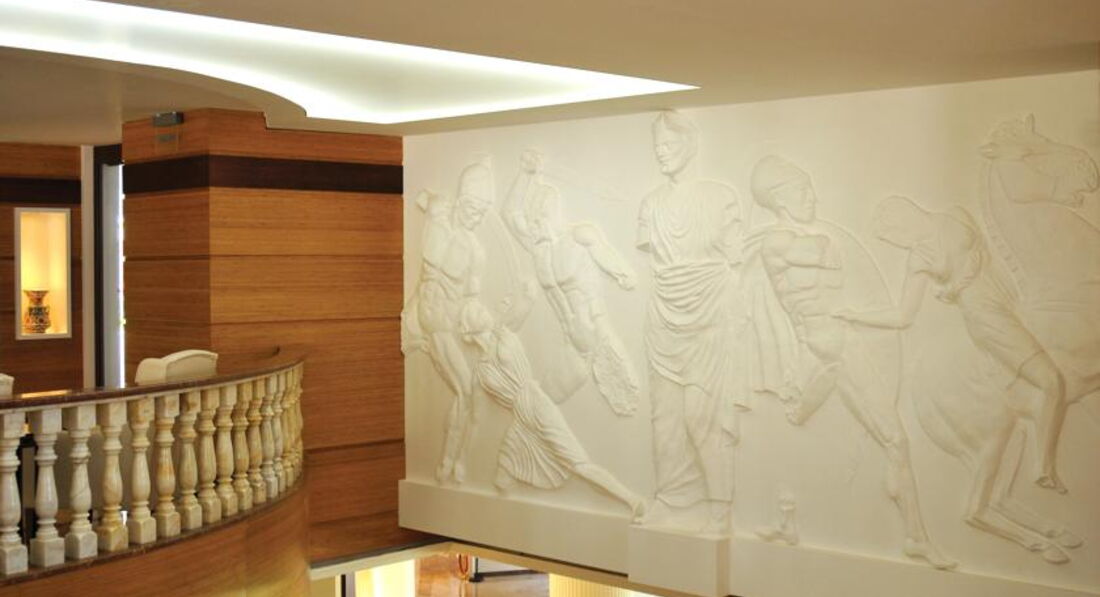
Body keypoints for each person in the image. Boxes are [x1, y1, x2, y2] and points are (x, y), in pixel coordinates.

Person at [749, 156, 954, 569]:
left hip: (841, 346)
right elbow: (820, 252)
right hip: (820, 351)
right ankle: (787, 515)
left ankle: (914, 537)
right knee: (816, 431)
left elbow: (836, 264)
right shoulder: (777, 243)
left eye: (811, 189)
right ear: (780, 199)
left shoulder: (811, 238)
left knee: (894, 439)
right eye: (803, 190)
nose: (813, 197)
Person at [836, 195, 1071, 493]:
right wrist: (856, 315)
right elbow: (903, 315)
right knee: (1051, 381)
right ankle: (1044, 468)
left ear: (904, 218)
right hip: (986, 315)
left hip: (1009, 298)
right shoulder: (920, 257)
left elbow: (984, 253)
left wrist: (954, 286)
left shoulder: (956, 215)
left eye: (893, 235)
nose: (899, 243)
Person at [636, 111, 742, 534]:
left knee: (702, 416)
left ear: (691, 144)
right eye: (657, 147)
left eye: (669, 145)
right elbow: (652, 256)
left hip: (709, 316)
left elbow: (736, 258)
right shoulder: (651, 203)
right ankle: (670, 499)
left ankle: (719, 505)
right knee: (664, 418)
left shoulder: (720, 197)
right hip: (663, 318)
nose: (661, 153)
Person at [459, 300, 646, 521]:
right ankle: (505, 523)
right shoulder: (480, 371)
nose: (484, 310)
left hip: (536, 402)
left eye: (482, 307)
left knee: (579, 465)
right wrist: (460, 458)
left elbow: (525, 297)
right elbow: (475, 415)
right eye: (478, 310)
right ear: (470, 326)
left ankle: (633, 501)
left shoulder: (503, 334)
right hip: (520, 416)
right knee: (502, 477)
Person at [500, 150, 640, 415]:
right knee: (540, 404)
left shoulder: (579, 237)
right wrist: (524, 174)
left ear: (555, 213)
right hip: (573, 344)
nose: (535, 223)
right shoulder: (538, 248)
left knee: (625, 402)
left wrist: (624, 274)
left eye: (541, 216)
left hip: (598, 333)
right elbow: (510, 213)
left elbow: (608, 257)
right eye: (532, 218)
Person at [402, 159, 494, 484]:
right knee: (465, 390)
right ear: (461, 198)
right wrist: (428, 198)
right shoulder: (438, 215)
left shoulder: (476, 252)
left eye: (482, 212)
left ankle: (451, 462)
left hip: (445, 322)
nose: (476, 216)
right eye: (473, 207)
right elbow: (423, 198)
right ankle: (448, 463)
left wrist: (480, 324)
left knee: (466, 391)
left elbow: (472, 300)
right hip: (425, 316)